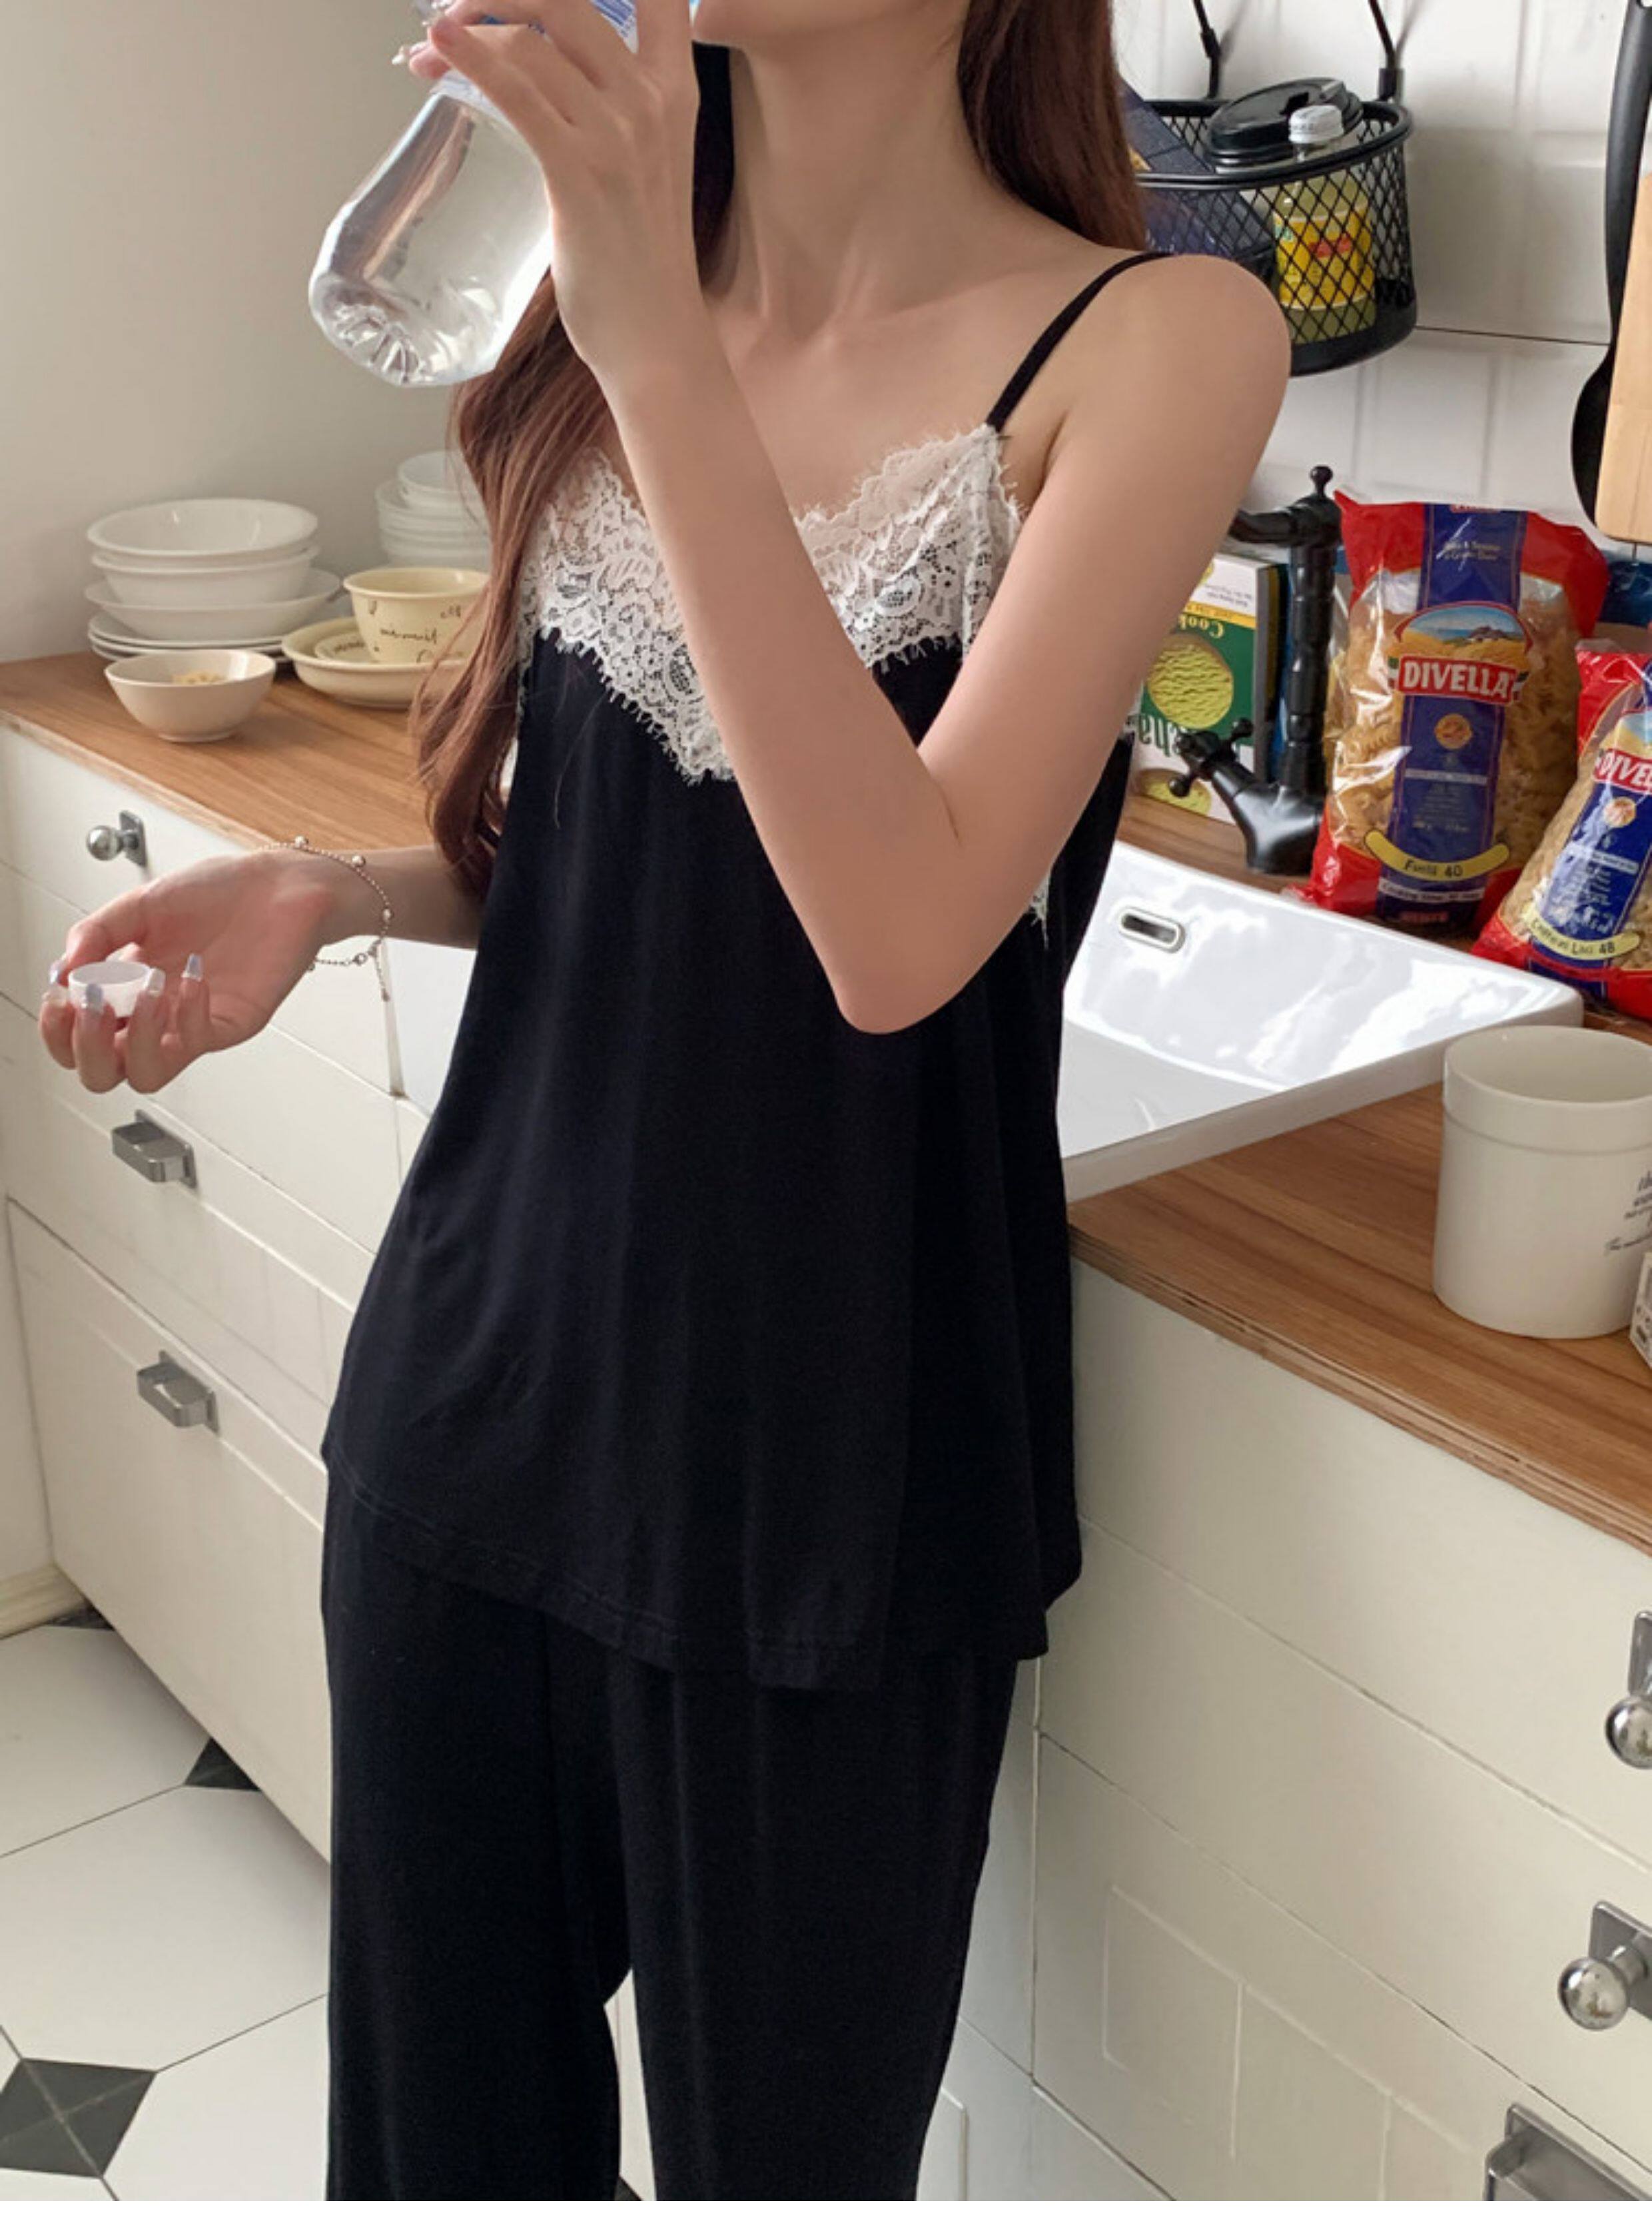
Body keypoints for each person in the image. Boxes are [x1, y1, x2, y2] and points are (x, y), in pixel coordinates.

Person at [39, 0, 1288, 2198]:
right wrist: (342, 891)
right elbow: (644, 852)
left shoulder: (1163, 342)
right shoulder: (610, 295)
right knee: (438, 2161)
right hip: (474, 1392)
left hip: (829, 1461)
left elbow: (894, 929)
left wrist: (649, 346)